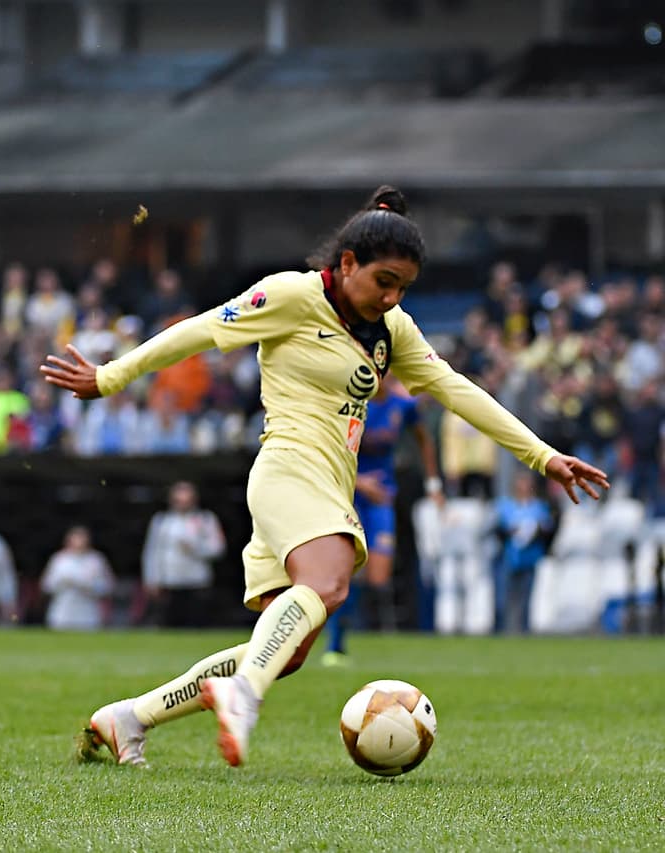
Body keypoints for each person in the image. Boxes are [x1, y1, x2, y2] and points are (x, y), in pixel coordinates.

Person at [41, 186, 609, 768]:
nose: (391, 297)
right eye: (383, 281)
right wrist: (111, 376)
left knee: (284, 651)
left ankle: (128, 718)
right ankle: (242, 694)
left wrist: (542, 456)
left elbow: (455, 389)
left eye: (403, 288)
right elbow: (202, 330)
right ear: (346, 263)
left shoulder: (393, 330)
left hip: (325, 484)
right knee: (331, 582)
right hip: (288, 467)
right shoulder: (291, 294)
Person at [322, 374, 443, 665]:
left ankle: (352, 623)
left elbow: (424, 439)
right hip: (349, 496)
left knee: (377, 574)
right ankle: (335, 644)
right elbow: (331, 453)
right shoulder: (352, 406)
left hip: (383, 499)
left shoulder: (402, 405)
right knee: (347, 570)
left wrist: (433, 484)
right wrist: (361, 483)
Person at [141, 481, 227, 627]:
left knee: (196, 623)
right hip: (169, 582)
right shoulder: (162, 521)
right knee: (170, 625)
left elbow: (218, 548)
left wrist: (195, 549)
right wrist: (151, 579)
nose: (182, 504)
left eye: (187, 501)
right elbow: (152, 551)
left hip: (196, 582)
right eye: (178, 501)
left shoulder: (205, 519)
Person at [492, 471, 553, 634]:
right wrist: (512, 532)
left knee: (526, 600)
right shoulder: (505, 505)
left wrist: (534, 531)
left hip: (529, 558)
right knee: (503, 600)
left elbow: (547, 528)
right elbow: (498, 529)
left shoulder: (538, 507)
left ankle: (523, 633)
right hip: (510, 557)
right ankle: (502, 632)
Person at [40, 525, 115, 631]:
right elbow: (46, 585)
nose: (79, 541)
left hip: (88, 614)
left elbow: (107, 587)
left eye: (82, 538)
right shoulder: (59, 559)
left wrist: (87, 586)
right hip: (63, 613)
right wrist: (63, 582)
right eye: (76, 538)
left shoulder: (96, 560)